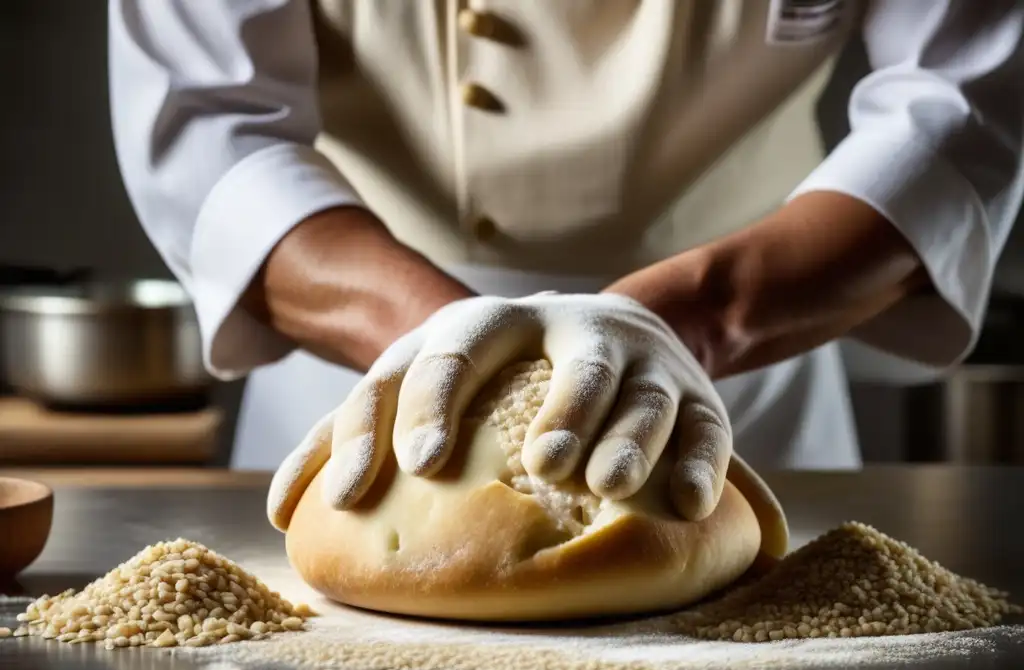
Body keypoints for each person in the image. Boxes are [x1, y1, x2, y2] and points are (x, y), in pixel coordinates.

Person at [109, 1, 1024, 516]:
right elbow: (210, 130)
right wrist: (456, 345)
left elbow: (961, 107)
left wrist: (685, 326)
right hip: (380, 379)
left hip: (738, 377)